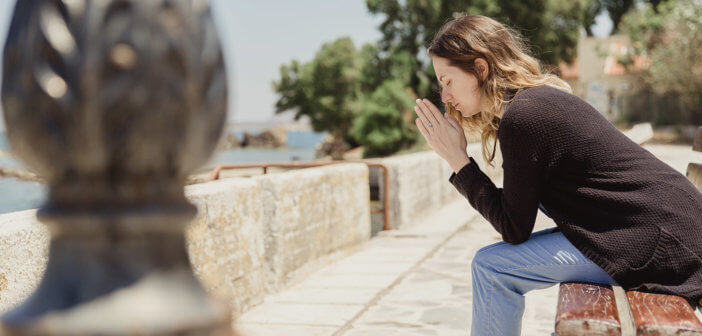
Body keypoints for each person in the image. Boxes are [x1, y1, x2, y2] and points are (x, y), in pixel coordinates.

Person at [413, 14, 702, 336]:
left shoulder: (524, 116)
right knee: (493, 263)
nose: (445, 97)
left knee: (491, 267)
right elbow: (515, 217)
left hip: (650, 241)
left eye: (447, 81)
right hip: (658, 232)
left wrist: (458, 161)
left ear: (480, 68)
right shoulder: (533, 105)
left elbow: (513, 228)